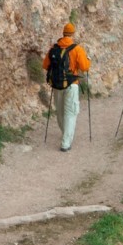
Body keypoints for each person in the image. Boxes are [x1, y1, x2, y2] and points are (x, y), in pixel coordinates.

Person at [42, 22, 91, 152]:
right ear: (72, 34)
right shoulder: (77, 49)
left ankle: (65, 133)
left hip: (57, 85)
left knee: (60, 112)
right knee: (70, 112)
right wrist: (88, 59)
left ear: (63, 33)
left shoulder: (54, 47)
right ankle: (65, 142)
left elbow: (45, 65)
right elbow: (85, 67)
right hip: (71, 85)